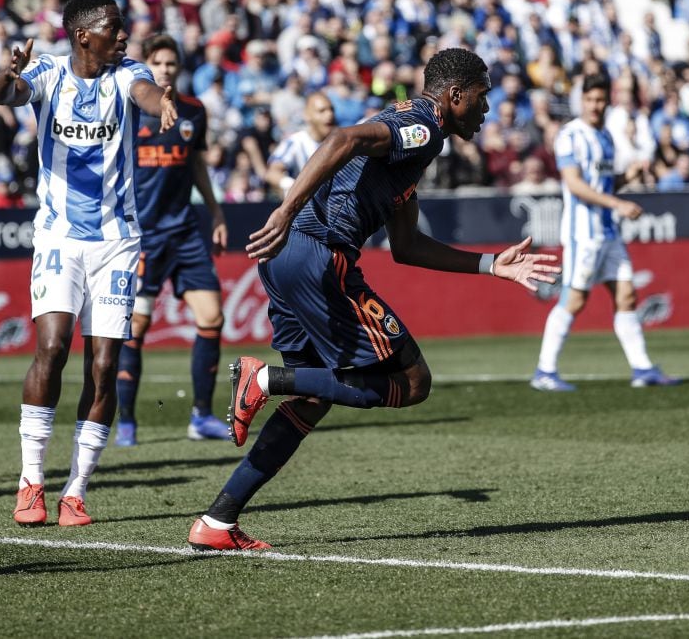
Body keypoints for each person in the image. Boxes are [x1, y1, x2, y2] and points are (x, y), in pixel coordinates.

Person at [186, 48, 559, 551]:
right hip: (319, 254)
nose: (486, 109)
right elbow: (344, 137)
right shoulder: (423, 127)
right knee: (412, 381)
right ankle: (264, 377)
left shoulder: (416, 139)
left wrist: (490, 264)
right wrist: (285, 209)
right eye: (482, 97)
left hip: (287, 259)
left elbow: (406, 246)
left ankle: (218, 520)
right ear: (454, 95)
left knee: (314, 397)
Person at [0, 0, 176, 527]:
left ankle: (75, 488)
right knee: (51, 349)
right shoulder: (48, 73)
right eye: (114, 28)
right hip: (58, 239)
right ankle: (30, 482)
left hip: (117, 241)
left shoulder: (127, 73)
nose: (124, 35)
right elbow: (5, 94)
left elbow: (142, 92)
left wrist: (159, 101)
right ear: (83, 35)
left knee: (104, 367)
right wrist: (9, 73)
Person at [114, 33, 230, 447]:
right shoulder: (131, 110)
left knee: (212, 317)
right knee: (136, 328)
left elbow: (197, 164)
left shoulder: (194, 112)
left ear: (179, 67)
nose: (165, 69)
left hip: (184, 232)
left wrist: (215, 212)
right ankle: (125, 419)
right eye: (158, 63)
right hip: (142, 236)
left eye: (171, 63)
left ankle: (201, 415)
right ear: (148, 66)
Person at [530, 76, 679, 392]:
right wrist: (618, 203)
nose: (596, 105)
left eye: (600, 100)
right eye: (590, 100)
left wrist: (629, 177)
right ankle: (544, 371)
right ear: (581, 101)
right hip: (582, 233)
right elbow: (575, 184)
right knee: (574, 299)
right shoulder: (570, 136)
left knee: (626, 294)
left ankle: (642, 368)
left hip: (608, 232)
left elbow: (605, 185)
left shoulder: (606, 137)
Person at [264, 91, 336, 196]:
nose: (329, 115)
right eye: (322, 111)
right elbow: (272, 173)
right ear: (307, 115)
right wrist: (292, 187)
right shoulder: (296, 142)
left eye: (331, 110)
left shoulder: (342, 140)